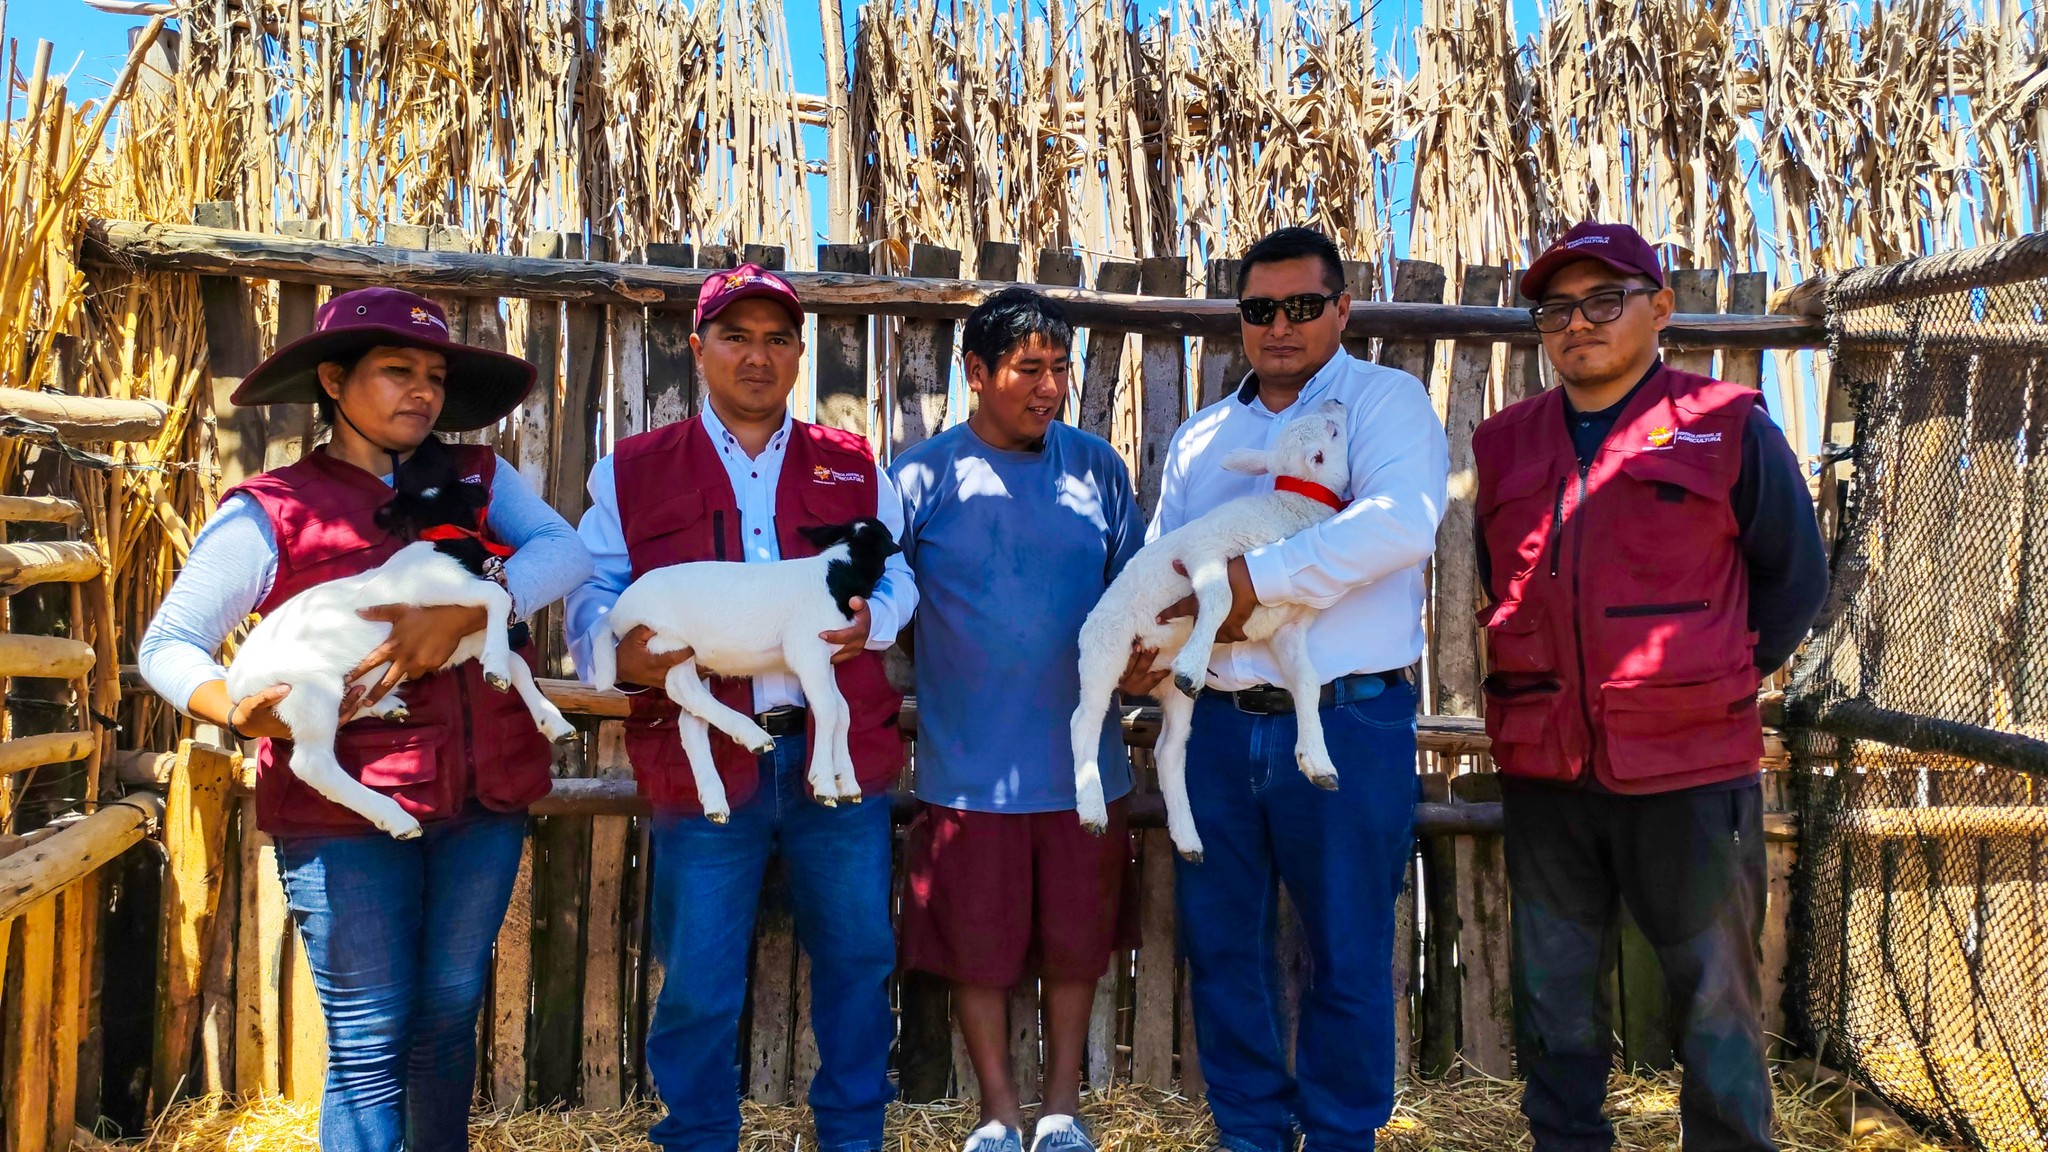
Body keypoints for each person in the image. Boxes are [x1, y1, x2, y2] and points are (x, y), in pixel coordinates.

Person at [137, 287, 592, 1152]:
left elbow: (565, 552)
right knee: (371, 1035)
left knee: (449, 1012)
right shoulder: (273, 510)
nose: (421, 390)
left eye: (432, 375)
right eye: (395, 371)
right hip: (347, 811)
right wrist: (240, 710)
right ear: (336, 382)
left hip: (485, 794)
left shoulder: (478, 479)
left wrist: (473, 610)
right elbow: (171, 643)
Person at [1472, 222, 1827, 1152]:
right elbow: (1498, 583)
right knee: (1553, 1006)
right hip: (1547, 770)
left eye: (1602, 301)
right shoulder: (1506, 443)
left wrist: (1707, 684)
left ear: (1659, 308)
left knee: (1715, 1008)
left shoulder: (1726, 421)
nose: (1575, 324)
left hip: (1691, 770)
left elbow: (1795, 579)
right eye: (1555, 309)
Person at [565, 265, 917, 1152]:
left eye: (776, 339)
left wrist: (873, 621)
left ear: (799, 352)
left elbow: (900, 574)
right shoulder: (633, 470)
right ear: (699, 349)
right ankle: (696, 1136)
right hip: (702, 759)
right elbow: (590, 592)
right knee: (697, 975)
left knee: (859, 961)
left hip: (834, 755)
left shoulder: (852, 465)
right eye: (736, 336)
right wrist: (621, 654)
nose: (757, 357)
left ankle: (851, 1136)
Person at [1141, 227, 1448, 1152]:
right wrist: (1144, 642)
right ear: (1241, 317)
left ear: (1341, 310)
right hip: (1218, 725)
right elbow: (1161, 562)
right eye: (1260, 309)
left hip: (1349, 721)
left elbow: (1398, 528)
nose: (1280, 326)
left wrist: (1251, 585)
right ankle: (1250, 1132)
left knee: (1349, 950)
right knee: (1223, 946)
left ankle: (1343, 1133)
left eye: (1303, 307)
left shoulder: (1385, 405)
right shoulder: (1204, 437)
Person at [891, 288, 1148, 1152]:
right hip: (967, 768)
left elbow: (1140, 591)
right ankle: (997, 1115)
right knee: (979, 952)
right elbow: (883, 602)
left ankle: (1062, 1110)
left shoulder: (1100, 471)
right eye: (1028, 369)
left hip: (1086, 771)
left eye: (1059, 370)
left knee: (1078, 947)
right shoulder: (920, 479)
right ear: (975, 372)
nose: (1048, 388)